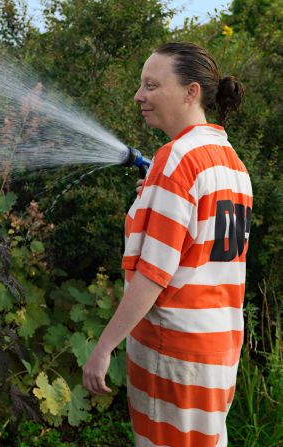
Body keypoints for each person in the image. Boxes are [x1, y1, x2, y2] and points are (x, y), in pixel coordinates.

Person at [82, 42, 251, 447]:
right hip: (217, 350)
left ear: (191, 92)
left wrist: (104, 347)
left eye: (152, 85)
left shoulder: (175, 159)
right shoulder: (229, 160)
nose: (139, 96)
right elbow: (201, 250)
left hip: (172, 353)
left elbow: (154, 273)